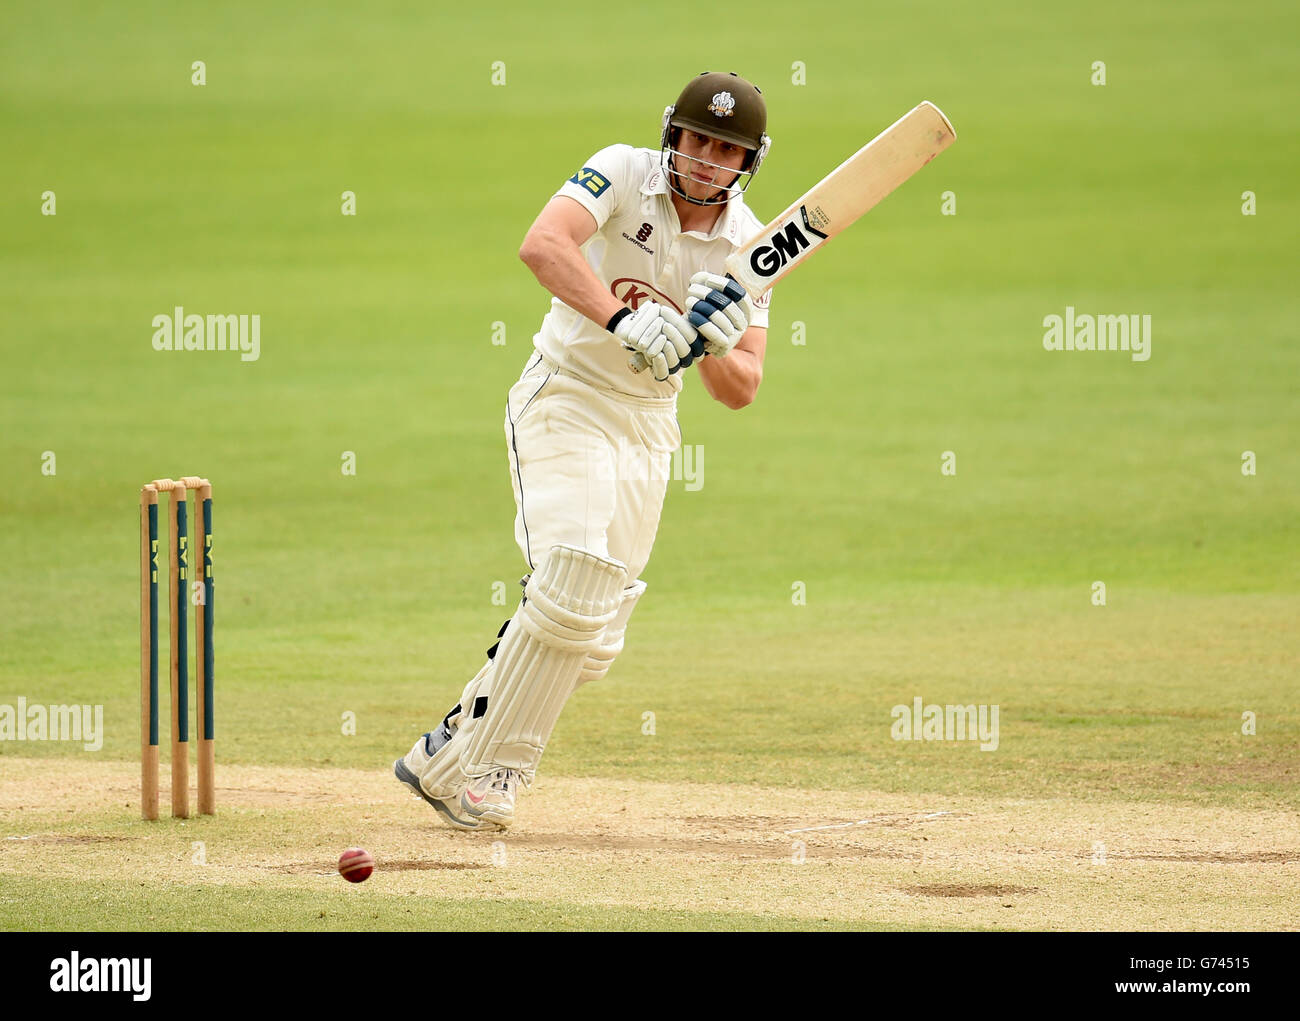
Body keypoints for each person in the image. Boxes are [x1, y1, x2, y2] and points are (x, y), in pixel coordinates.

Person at [394, 71, 773, 830]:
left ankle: (441, 757)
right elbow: (542, 244)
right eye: (697, 139)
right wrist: (619, 320)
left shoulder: (749, 246)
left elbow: (742, 388)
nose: (705, 160)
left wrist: (716, 347)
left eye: (724, 150)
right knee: (573, 573)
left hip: (648, 427)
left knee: (592, 637)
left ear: (746, 161)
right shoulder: (624, 171)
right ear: (674, 134)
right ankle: (495, 772)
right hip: (565, 394)